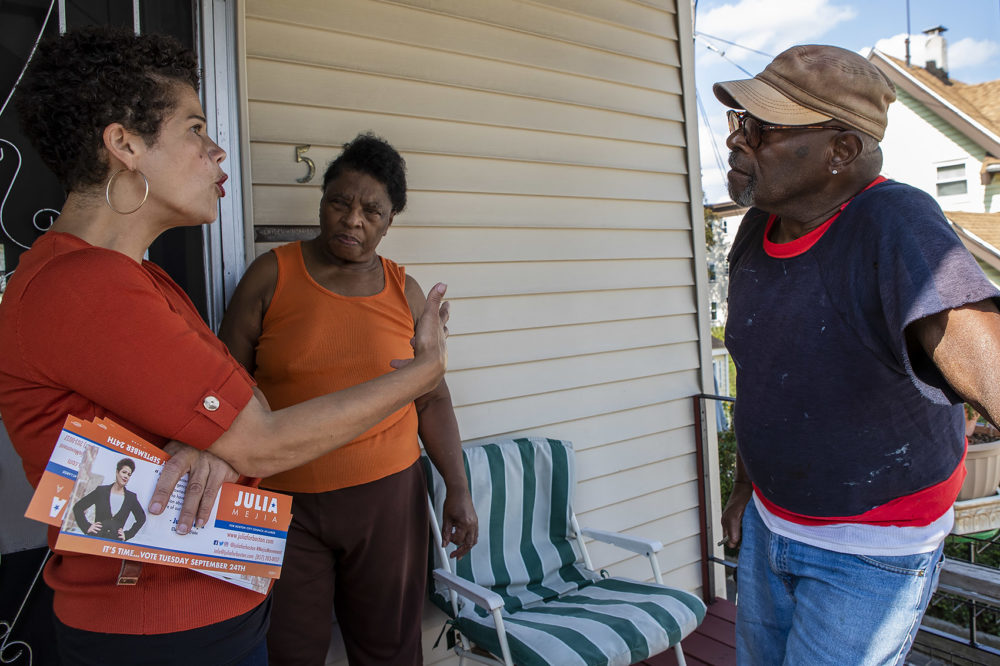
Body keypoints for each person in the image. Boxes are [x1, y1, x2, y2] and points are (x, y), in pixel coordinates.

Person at [0, 27, 448, 666]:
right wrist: (424, 369)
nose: (218, 153)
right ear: (124, 144)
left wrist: (218, 437)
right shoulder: (82, 287)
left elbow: (238, 405)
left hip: (198, 603)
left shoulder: (138, 279)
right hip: (157, 627)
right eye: (195, 130)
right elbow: (259, 434)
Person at [714, 44, 1000, 665]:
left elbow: (987, 365)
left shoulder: (896, 221)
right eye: (739, 123)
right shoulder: (755, 231)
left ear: (841, 150)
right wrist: (745, 486)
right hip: (772, 522)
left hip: (871, 542)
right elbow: (760, 373)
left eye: (760, 129)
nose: (739, 142)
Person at [218, 133, 477, 665]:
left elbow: (432, 399)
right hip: (284, 504)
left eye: (371, 211)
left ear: (389, 222)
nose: (352, 219)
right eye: (340, 201)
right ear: (323, 201)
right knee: (290, 648)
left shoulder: (403, 290)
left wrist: (458, 488)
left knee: (389, 648)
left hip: (387, 501)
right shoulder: (271, 275)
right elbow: (224, 386)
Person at [72, 457, 147, 541]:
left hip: (114, 543)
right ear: (117, 472)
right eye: (124, 472)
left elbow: (141, 518)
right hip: (95, 539)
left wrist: (127, 534)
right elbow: (78, 507)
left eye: (129, 474)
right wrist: (86, 527)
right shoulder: (101, 491)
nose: (126, 476)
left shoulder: (131, 498)